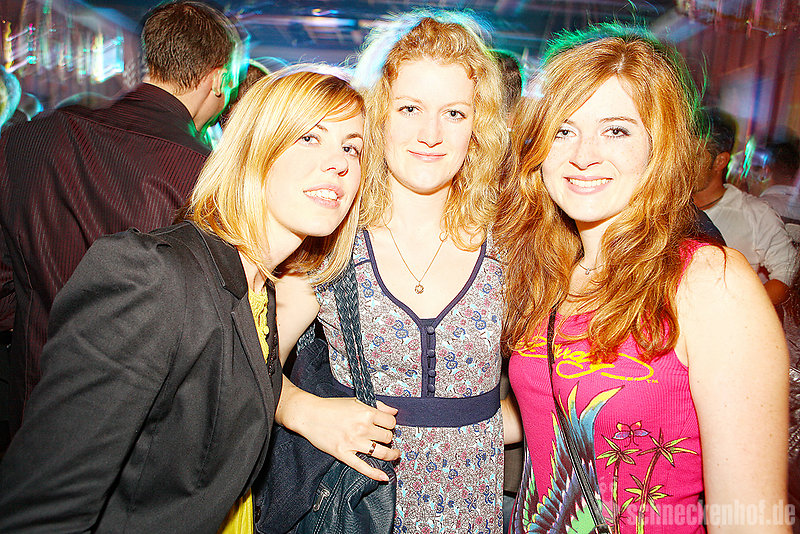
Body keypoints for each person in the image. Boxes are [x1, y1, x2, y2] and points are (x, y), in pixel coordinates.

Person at [0, 68, 399, 533]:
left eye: (352, 147)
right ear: (253, 147)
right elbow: (41, 512)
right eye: (310, 137)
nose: (339, 163)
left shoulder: (260, 289)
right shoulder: (152, 274)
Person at [498, 25, 790, 533]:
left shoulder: (710, 284)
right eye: (564, 130)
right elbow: (539, 412)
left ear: (659, 149)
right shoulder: (548, 274)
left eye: (616, 130)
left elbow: (751, 520)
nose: (583, 154)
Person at [274, 13, 509, 532]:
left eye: (454, 113)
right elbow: (243, 362)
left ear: (478, 126)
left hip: (476, 510)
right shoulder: (332, 236)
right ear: (379, 113)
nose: (431, 134)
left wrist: (487, 422)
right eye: (410, 108)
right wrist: (301, 410)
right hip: (358, 508)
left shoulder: (510, 243)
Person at [0, 0, 245, 435]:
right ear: (217, 79)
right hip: (139, 421)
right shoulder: (207, 179)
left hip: (34, 400)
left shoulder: (27, 139)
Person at [693, 108, 795, 307]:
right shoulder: (665, 206)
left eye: (694, 156)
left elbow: (787, 271)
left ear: (720, 161)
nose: (682, 163)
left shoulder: (754, 213)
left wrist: (742, 310)